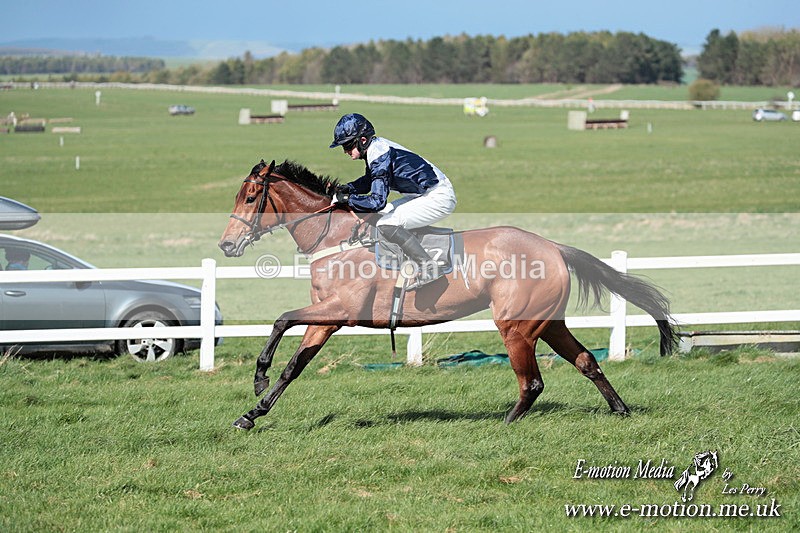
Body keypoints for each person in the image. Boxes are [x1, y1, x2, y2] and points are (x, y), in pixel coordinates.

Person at [329, 113, 457, 287]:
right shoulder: (375, 148)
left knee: (386, 224)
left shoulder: (379, 153)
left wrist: (348, 199)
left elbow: (376, 202)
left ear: (363, 140)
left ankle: (429, 268)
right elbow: (369, 181)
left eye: (348, 146)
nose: (345, 151)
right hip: (422, 194)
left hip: (438, 197)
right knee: (385, 216)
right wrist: (347, 189)